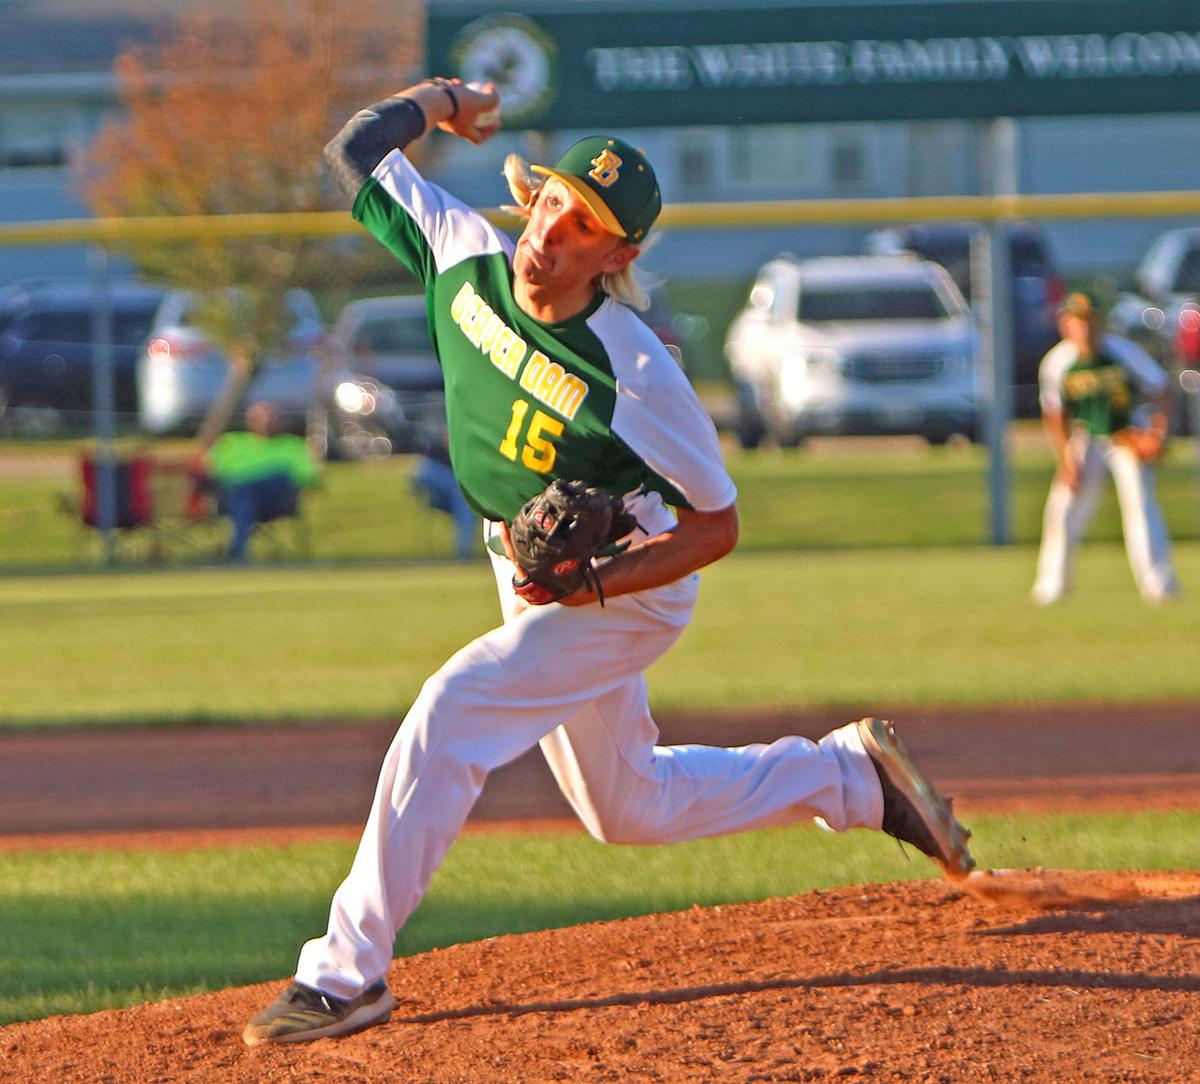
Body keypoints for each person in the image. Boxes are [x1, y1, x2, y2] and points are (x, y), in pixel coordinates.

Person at [243, 76, 975, 1046]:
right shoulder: (465, 256)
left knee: (451, 714)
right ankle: (848, 779)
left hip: (624, 587)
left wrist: (593, 585)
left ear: (617, 255)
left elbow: (715, 525)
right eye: (552, 201)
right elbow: (353, 152)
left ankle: (346, 972)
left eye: (585, 224)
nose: (554, 229)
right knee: (626, 805)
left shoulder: (632, 370)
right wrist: (446, 98)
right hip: (533, 572)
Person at [1031, 292, 1179, 605]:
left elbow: (1161, 388)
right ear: (1065, 325)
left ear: (1099, 323)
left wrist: (1159, 434)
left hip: (1126, 434)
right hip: (1085, 437)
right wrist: (1066, 462)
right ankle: (1052, 585)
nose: (1084, 329)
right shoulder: (1058, 363)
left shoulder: (1121, 351)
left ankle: (1158, 584)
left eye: (1089, 321)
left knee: (1140, 503)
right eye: (1077, 322)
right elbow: (1056, 416)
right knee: (1064, 506)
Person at [204, 401, 319, 560]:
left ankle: (236, 550)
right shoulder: (232, 442)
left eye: (269, 418)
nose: (265, 422)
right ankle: (237, 550)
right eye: (258, 418)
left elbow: (309, 477)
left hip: (276, 500)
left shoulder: (291, 445)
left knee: (273, 478)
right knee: (245, 490)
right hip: (237, 498)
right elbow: (212, 470)